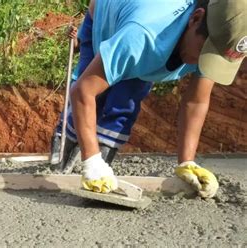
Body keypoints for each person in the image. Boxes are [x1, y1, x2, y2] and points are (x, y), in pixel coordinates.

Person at [67, 0, 246, 198]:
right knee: (93, 94)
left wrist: (187, 162)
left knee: (126, 100)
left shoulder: (215, 39)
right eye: (205, 54)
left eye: (214, 58)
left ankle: (100, 158)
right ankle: (64, 156)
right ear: (195, 19)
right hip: (106, 14)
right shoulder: (143, 37)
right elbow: (82, 91)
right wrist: (92, 160)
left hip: (146, 35)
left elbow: (196, 101)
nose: (204, 64)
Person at [49, 10, 152, 173]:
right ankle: (61, 161)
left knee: (121, 102)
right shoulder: (102, 12)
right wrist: (75, 39)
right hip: (95, 57)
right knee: (83, 101)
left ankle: (98, 165)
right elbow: (81, 44)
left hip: (134, 51)